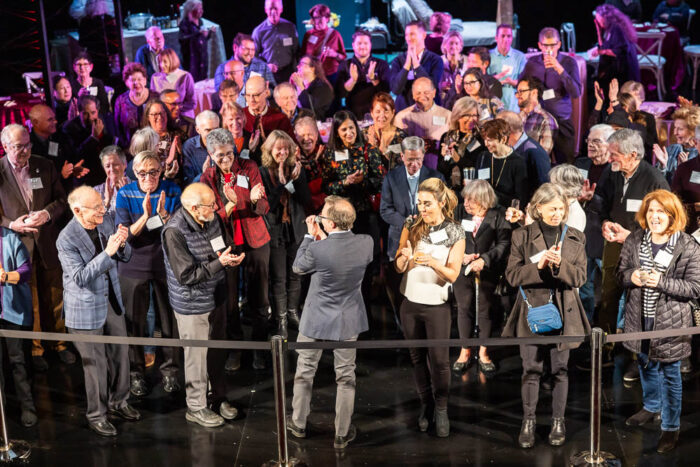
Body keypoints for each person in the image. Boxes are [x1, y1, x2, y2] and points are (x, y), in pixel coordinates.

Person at [503, 183, 590, 449]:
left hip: (565, 309)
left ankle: (558, 421)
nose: (557, 213)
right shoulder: (522, 236)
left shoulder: (575, 236)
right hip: (533, 309)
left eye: (561, 208)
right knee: (531, 369)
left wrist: (559, 264)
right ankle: (528, 421)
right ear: (538, 208)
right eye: (552, 208)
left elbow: (580, 277)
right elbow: (512, 276)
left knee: (561, 370)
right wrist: (537, 266)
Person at [286, 196, 373, 449]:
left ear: (331, 224)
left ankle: (299, 423)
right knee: (346, 376)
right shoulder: (366, 243)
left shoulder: (316, 248)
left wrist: (310, 235)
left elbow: (298, 268)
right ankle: (342, 434)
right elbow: (342, 252)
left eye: (323, 216)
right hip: (348, 319)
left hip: (315, 319)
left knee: (305, 372)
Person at [618, 190, 700, 453]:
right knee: (645, 363)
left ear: (672, 215)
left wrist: (661, 281)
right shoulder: (634, 239)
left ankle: (670, 427)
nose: (655, 216)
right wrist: (632, 277)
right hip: (638, 317)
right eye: (651, 211)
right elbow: (620, 274)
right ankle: (652, 406)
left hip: (672, 322)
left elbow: (695, 288)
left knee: (671, 375)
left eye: (661, 211)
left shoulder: (687, 245)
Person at [57, 186, 140, 437]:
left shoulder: (105, 219)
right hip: (85, 308)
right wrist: (108, 253)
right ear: (78, 210)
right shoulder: (66, 238)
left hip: (111, 302)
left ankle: (120, 402)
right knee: (96, 365)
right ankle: (97, 415)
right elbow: (81, 277)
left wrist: (122, 243)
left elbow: (124, 256)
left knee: (120, 356)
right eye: (97, 208)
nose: (103, 211)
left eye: (103, 205)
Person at [162, 182, 242, 427]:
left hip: (216, 296)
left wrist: (231, 256)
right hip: (192, 303)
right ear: (195, 209)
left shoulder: (212, 218)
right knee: (196, 356)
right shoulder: (173, 231)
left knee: (216, 352)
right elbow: (186, 276)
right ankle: (196, 407)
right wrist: (220, 264)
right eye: (211, 205)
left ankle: (217, 398)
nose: (217, 208)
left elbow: (222, 245)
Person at [394, 178, 465, 437]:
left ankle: (442, 409)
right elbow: (399, 265)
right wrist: (403, 259)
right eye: (419, 203)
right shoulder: (411, 225)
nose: (422, 208)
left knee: (440, 361)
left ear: (441, 202)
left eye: (427, 203)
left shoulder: (455, 232)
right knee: (417, 359)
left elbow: (453, 275)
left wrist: (433, 263)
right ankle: (426, 404)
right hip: (410, 302)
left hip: (437, 306)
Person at [0, 124, 72, 372]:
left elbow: (62, 201)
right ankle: (37, 347)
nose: (25, 150)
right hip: (18, 247)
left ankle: (60, 344)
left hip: (48, 242)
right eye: (19, 146)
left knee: (55, 295)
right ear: (6, 147)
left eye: (28, 144)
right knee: (31, 301)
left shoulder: (45, 165)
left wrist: (46, 213)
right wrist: (11, 224)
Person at [199, 128, 271, 370]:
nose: (226, 159)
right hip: (226, 243)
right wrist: (230, 204)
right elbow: (208, 217)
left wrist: (252, 200)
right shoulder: (208, 178)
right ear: (210, 154)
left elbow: (263, 208)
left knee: (259, 297)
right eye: (220, 155)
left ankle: (260, 349)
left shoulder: (249, 167)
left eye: (229, 153)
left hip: (255, 241)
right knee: (229, 301)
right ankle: (235, 349)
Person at [115, 151, 182, 397]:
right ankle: (136, 374)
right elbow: (125, 236)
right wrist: (147, 217)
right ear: (134, 173)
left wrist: (163, 217)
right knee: (134, 323)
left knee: (169, 322)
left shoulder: (172, 190)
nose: (148, 177)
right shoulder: (125, 193)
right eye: (142, 173)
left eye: (153, 171)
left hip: (166, 264)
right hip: (133, 266)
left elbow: (177, 230)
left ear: (161, 170)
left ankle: (171, 372)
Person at [598, 129, 669, 344]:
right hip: (613, 246)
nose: (609, 158)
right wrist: (604, 222)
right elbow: (601, 199)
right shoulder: (612, 172)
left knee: (637, 300)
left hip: (643, 250)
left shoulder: (655, 180)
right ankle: (604, 349)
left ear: (633, 155)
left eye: (614, 154)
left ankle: (634, 349)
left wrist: (632, 236)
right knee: (607, 296)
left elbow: (668, 222)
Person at [380, 137, 444, 322]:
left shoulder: (436, 177)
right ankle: (403, 327)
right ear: (401, 156)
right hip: (398, 240)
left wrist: (425, 220)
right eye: (410, 160)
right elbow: (385, 209)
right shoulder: (391, 177)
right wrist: (406, 223)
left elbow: (443, 208)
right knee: (399, 287)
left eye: (418, 159)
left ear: (423, 155)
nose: (414, 164)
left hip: (428, 241)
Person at [452, 180, 511, 375]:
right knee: (464, 307)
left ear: (484, 200)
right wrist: (461, 256)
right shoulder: (459, 212)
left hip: (488, 269)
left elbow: (503, 244)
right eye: (465, 198)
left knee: (485, 309)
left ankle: (484, 352)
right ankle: (465, 350)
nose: (466, 203)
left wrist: (485, 260)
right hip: (463, 268)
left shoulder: (498, 215)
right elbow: (451, 237)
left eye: (471, 199)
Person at [259, 130, 311, 336]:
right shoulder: (263, 172)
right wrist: (281, 184)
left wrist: (296, 181)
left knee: (296, 275)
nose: (282, 152)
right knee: (279, 278)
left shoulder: (297, 168)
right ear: (270, 150)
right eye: (278, 148)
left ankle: (292, 312)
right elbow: (268, 207)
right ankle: (280, 317)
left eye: (285, 148)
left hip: (295, 229)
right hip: (275, 231)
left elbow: (306, 200)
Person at [520, 27, 581, 164]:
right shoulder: (532, 63)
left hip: (561, 121)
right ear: (539, 45)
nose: (549, 49)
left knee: (565, 165)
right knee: (537, 162)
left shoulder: (568, 63)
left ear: (559, 44)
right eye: (545, 45)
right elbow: (521, 85)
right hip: (537, 121)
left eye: (553, 45)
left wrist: (559, 69)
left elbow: (576, 92)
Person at [574, 124, 615, 322]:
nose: (591, 145)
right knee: (583, 287)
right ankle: (585, 327)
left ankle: (607, 336)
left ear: (610, 145)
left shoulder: (615, 168)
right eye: (589, 141)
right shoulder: (580, 164)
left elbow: (615, 203)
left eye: (596, 141)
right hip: (582, 235)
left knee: (609, 288)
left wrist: (592, 199)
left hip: (604, 236)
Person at [0, 224, 36, 427]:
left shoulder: (10, 238)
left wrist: (5, 276)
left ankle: (28, 407)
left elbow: (26, 270)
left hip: (13, 312)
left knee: (19, 361)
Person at [394, 77, 451, 170]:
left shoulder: (447, 115)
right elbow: (395, 148)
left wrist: (437, 145)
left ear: (434, 93)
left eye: (426, 92)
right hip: (410, 170)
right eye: (418, 93)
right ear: (413, 95)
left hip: (440, 169)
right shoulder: (402, 117)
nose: (422, 96)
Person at [28, 104, 89, 190]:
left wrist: (72, 169)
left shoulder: (55, 138)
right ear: (35, 122)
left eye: (54, 118)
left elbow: (57, 162)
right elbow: (31, 184)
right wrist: (60, 176)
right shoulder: (26, 148)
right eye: (50, 119)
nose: (55, 121)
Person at [335, 30, 391, 120]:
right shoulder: (345, 65)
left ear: (370, 45)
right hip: (353, 114)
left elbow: (386, 91)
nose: (362, 46)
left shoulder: (381, 64)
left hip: (377, 114)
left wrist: (373, 79)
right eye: (359, 43)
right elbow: (340, 93)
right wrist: (352, 80)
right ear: (353, 45)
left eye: (365, 43)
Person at [62, 95, 116, 187]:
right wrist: (93, 138)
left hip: (105, 174)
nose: (90, 117)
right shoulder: (69, 128)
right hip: (84, 177)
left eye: (93, 112)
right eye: (86, 113)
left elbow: (112, 146)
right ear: (79, 112)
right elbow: (75, 156)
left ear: (98, 111)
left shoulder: (106, 121)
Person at [390, 20, 444, 111]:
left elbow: (431, 86)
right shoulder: (398, 61)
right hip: (405, 112)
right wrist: (407, 65)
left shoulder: (435, 60)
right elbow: (396, 89)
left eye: (412, 34)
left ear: (423, 35)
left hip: (429, 112)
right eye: (407, 35)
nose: (408, 38)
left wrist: (415, 63)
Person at [437, 96, 488, 192]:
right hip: (448, 189)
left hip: (471, 190)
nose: (471, 119)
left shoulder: (480, 138)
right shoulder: (447, 137)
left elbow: (479, 167)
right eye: (467, 115)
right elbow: (440, 170)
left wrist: (458, 159)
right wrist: (445, 157)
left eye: (475, 115)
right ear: (458, 116)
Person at [474, 119, 528, 208]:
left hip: (504, 212)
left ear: (503, 139)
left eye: (490, 140)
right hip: (482, 209)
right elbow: (477, 185)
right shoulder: (483, 157)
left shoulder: (518, 163)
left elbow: (519, 200)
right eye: (485, 140)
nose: (486, 144)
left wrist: (491, 195)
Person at [498, 110, 551, 200]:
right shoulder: (510, 148)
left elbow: (544, 186)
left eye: (497, 128)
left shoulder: (534, 152)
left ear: (506, 130)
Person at [588, 5, 640, 92]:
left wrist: (601, 51)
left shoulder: (617, 28)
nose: (597, 20)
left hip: (623, 70)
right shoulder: (609, 29)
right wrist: (598, 31)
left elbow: (620, 51)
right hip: (616, 69)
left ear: (605, 17)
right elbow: (603, 46)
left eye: (598, 18)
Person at [243, 75, 295, 162]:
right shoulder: (239, 116)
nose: (251, 100)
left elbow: (292, 149)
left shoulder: (280, 118)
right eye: (248, 95)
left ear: (266, 93)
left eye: (256, 95)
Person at [252, 0, 300, 84]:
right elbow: (253, 57)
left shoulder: (290, 28)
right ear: (265, 10)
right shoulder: (258, 31)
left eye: (276, 8)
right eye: (270, 8)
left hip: (288, 73)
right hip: (268, 74)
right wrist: (266, 66)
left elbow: (296, 51)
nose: (273, 11)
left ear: (281, 9)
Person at [300, 4, 346, 83]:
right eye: (315, 17)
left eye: (320, 17)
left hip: (330, 76)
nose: (317, 20)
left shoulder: (335, 35)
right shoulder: (308, 35)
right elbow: (302, 55)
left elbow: (343, 57)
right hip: (312, 76)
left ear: (327, 18)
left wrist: (334, 54)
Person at [654, 106, 700, 184]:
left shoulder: (698, 153)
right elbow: (656, 181)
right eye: (675, 128)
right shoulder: (671, 149)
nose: (675, 133)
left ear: (693, 131)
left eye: (680, 129)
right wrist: (662, 166)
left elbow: (697, 184)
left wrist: (685, 168)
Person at [363, 92, 408, 172]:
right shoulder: (363, 135)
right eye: (378, 111)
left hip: (394, 183)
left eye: (386, 111)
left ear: (393, 113)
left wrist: (385, 152)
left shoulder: (402, 137)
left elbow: (406, 168)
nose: (382, 115)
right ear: (372, 113)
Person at [141, 99, 184, 182]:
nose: (160, 117)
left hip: (175, 181)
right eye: (155, 114)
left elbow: (188, 163)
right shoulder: (144, 139)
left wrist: (181, 152)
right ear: (148, 117)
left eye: (162, 113)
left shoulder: (178, 135)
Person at [516, 76, 558, 156]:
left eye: (521, 91)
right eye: (517, 92)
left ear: (534, 92)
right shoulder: (517, 117)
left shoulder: (546, 120)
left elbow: (543, 154)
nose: (518, 95)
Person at [149, 48, 196, 119]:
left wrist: (175, 109)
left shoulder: (185, 76)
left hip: (183, 117)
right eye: (160, 62)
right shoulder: (155, 77)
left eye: (165, 62)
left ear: (172, 61)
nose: (162, 65)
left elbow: (192, 103)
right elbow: (153, 101)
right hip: (163, 118)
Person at [489, 24, 526, 112]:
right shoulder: (488, 55)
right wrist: (494, 81)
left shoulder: (519, 57)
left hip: (513, 104)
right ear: (496, 38)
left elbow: (524, 81)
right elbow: (483, 80)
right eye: (502, 36)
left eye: (509, 36)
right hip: (493, 101)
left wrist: (512, 82)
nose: (506, 39)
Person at [113, 63, 151, 146]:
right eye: (132, 80)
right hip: (130, 148)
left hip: (153, 146)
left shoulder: (155, 97)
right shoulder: (120, 101)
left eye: (139, 79)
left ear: (145, 80)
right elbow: (118, 129)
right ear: (127, 82)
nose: (136, 83)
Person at [294, 116, 326, 212]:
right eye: (302, 135)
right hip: (302, 206)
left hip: (325, 204)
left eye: (310, 134)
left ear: (316, 135)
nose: (306, 138)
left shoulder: (325, 152)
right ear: (296, 137)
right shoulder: (293, 156)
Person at [671, 126, 700, 232]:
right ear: (695, 143)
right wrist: (694, 207)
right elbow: (674, 201)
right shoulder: (685, 169)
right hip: (691, 229)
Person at [179, 0, 215, 82]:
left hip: (202, 57)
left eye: (201, 8)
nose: (201, 11)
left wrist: (209, 33)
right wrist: (197, 33)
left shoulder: (201, 21)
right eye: (199, 9)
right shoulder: (185, 23)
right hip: (192, 60)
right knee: (193, 80)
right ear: (191, 10)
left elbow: (203, 38)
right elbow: (182, 39)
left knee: (203, 79)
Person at [183, 110, 220, 185]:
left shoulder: (227, 143)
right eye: (208, 130)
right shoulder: (189, 147)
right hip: (200, 191)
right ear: (198, 130)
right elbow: (188, 183)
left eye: (216, 129)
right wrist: (204, 174)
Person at [549, 164, 587, 232]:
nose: (551, 188)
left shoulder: (575, 215)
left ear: (567, 187)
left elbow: (563, 242)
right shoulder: (565, 207)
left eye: (554, 184)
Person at [94, 145, 130, 214]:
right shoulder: (96, 191)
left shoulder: (137, 187)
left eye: (115, 164)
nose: (112, 169)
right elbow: (93, 220)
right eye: (107, 166)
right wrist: (107, 201)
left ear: (125, 164)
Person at [438, 31, 468, 106]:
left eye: (457, 43)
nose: (454, 46)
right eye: (451, 43)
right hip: (443, 103)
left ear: (460, 46)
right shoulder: (438, 61)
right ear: (444, 45)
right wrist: (440, 85)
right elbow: (430, 83)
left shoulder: (467, 61)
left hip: (462, 101)